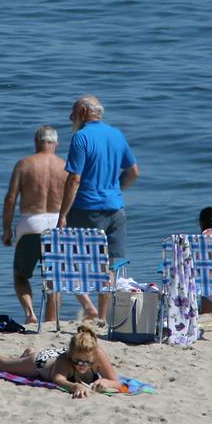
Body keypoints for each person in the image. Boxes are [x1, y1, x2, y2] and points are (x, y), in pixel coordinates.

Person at [57, 95, 139, 321]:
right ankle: (103, 316)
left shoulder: (81, 137)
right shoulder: (116, 135)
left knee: (70, 259)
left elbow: (74, 179)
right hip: (116, 210)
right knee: (110, 266)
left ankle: (89, 307)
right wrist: (115, 190)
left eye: (73, 111)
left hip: (87, 209)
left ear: (83, 111)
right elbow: (133, 172)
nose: (70, 116)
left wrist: (63, 214)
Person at [1, 125, 67, 325]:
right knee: (54, 278)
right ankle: (51, 321)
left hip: (30, 223)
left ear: (36, 142)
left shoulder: (24, 164)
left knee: (20, 275)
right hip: (57, 223)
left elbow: (10, 199)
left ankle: (30, 313)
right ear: (56, 143)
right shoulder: (65, 166)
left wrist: (6, 230)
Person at [0, 323, 121, 398]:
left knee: (15, 361)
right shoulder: (64, 359)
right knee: (5, 363)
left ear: (94, 356)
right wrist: (75, 385)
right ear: (70, 354)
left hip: (50, 356)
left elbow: (116, 382)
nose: (82, 366)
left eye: (87, 363)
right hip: (41, 363)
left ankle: (28, 352)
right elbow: (58, 379)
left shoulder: (98, 353)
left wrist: (106, 382)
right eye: (77, 362)